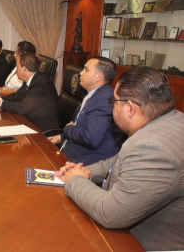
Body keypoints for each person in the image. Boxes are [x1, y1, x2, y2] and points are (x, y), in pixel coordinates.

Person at [55, 67, 184, 251]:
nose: (111, 106)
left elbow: (109, 213)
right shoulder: (170, 119)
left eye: (113, 101)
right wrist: (86, 171)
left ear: (130, 108)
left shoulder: (152, 147)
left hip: (139, 243)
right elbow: (119, 159)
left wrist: (74, 179)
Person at [48, 56, 125, 165]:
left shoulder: (103, 100)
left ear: (98, 77)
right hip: (71, 150)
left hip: (84, 162)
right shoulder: (96, 94)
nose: (81, 73)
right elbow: (83, 126)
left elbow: (91, 138)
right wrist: (62, 137)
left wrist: (68, 129)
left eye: (86, 69)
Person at [0, 53, 58, 132]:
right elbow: (16, 96)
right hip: (28, 123)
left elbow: (22, 108)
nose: (16, 70)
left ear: (24, 69)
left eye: (17, 66)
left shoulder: (41, 84)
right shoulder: (30, 80)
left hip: (41, 131)